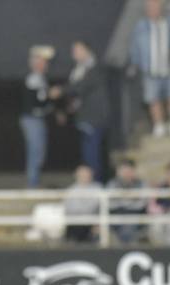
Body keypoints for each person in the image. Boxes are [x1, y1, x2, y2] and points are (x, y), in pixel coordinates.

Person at [131, 0, 170, 137]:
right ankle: (159, 125)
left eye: (155, 6)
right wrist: (136, 64)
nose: (152, 9)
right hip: (150, 70)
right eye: (149, 7)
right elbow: (135, 48)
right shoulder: (141, 27)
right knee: (152, 98)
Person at [69, 40, 111, 182]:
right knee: (87, 153)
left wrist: (61, 90)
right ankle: (88, 181)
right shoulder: (79, 69)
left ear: (87, 50)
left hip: (94, 118)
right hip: (85, 117)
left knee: (93, 153)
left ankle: (95, 182)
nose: (74, 54)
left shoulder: (94, 68)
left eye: (78, 50)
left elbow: (79, 87)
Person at [21, 46, 56, 188]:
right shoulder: (34, 78)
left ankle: (34, 181)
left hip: (37, 118)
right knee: (35, 151)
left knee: (39, 151)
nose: (45, 65)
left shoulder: (40, 78)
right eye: (42, 62)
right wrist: (49, 95)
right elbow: (38, 100)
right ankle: (32, 183)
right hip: (32, 119)